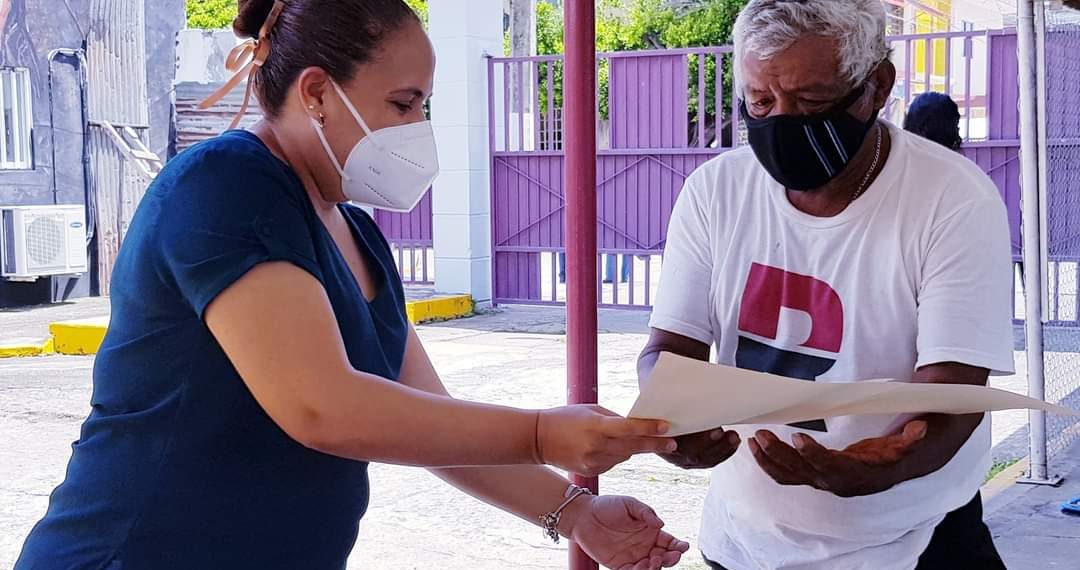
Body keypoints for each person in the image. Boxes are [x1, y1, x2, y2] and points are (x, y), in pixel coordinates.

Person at [15, 2, 690, 569]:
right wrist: (540, 433)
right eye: (403, 103)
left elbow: (430, 419)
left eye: (423, 106)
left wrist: (576, 513)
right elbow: (324, 408)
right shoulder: (227, 185)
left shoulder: (356, 232)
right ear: (315, 93)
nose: (418, 128)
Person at [638, 1, 1013, 569]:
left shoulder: (952, 200)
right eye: (761, 102)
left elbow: (954, 397)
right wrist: (672, 420)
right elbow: (668, 350)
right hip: (744, 542)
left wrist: (886, 466)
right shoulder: (716, 190)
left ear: (877, 86)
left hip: (912, 540)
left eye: (811, 101)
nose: (782, 122)